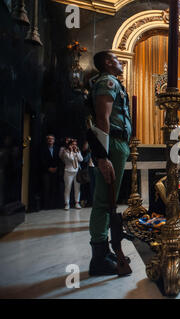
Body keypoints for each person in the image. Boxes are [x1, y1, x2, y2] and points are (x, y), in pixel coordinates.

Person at [87, 51, 132, 276]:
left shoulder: (114, 83)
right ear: (107, 62)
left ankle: (104, 251)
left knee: (109, 200)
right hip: (112, 143)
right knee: (104, 200)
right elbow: (102, 117)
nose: (120, 62)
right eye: (116, 58)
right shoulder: (107, 81)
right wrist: (103, 156)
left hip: (117, 143)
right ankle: (98, 259)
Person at [60, 138, 83, 210]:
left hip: (76, 172)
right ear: (69, 145)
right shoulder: (65, 151)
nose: (74, 146)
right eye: (73, 144)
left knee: (77, 188)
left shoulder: (77, 151)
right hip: (68, 171)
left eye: (75, 144)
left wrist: (77, 152)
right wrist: (71, 151)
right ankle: (67, 204)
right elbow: (71, 159)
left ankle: (77, 202)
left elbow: (81, 159)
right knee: (68, 188)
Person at [40, 134, 60, 210]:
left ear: (54, 140)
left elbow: (59, 159)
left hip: (55, 170)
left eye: (52, 139)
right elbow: (42, 160)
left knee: (53, 187)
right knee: (46, 188)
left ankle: (53, 205)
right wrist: (48, 168)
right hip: (46, 171)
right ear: (46, 140)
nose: (50, 140)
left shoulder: (57, 149)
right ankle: (46, 205)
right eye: (49, 139)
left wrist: (56, 168)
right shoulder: (42, 149)